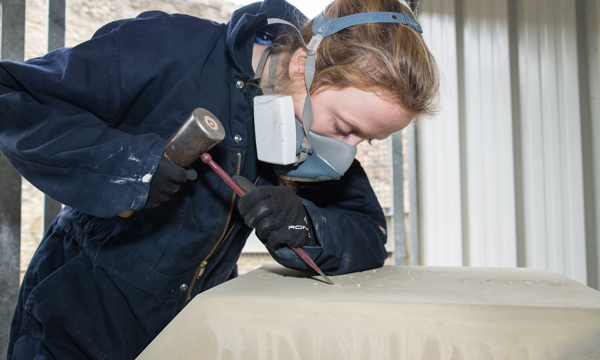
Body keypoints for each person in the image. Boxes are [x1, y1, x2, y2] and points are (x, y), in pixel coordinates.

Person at [0, 0, 439, 358]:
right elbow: (16, 99)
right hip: (70, 326)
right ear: (301, 65)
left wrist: (308, 224)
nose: (347, 149)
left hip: (186, 335)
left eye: (366, 140)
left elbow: (367, 231)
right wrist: (133, 165)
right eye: (346, 128)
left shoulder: (308, 128)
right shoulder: (167, 48)